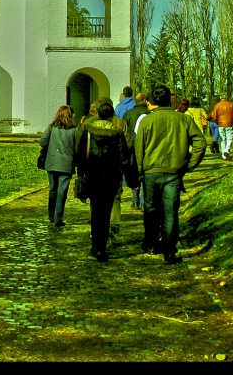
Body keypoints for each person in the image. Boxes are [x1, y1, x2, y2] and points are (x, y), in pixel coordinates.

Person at [134, 84, 207, 265]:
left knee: (151, 209)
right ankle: (169, 250)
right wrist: (189, 164)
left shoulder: (146, 121)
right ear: (169, 100)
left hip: (151, 171)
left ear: (153, 101)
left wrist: (140, 170)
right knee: (170, 212)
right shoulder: (182, 120)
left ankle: (151, 243)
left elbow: (139, 148)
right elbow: (200, 142)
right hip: (174, 171)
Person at [74, 100, 126, 263]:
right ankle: (102, 247)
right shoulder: (117, 132)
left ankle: (96, 246)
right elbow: (123, 157)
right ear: (111, 117)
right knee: (106, 211)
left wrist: (80, 172)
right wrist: (131, 179)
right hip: (111, 176)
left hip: (93, 174)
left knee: (96, 211)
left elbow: (80, 153)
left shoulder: (88, 130)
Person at [39, 105, 79, 227]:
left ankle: (51, 214)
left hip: (52, 162)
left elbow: (42, 142)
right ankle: (58, 217)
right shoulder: (74, 130)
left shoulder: (52, 128)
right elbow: (77, 147)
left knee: (53, 189)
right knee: (62, 191)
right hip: (66, 163)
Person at [121, 92, 150, 209]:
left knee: (133, 172)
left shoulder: (128, 113)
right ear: (145, 100)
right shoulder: (149, 113)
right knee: (145, 172)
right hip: (146, 146)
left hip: (131, 147)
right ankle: (143, 199)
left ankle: (134, 198)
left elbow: (124, 131)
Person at [210, 93, 233, 161]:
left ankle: (224, 155)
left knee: (223, 140)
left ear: (221, 98)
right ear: (226, 97)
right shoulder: (231, 104)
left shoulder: (217, 105)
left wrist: (218, 121)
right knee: (230, 138)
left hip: (220, 124)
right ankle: (227, 151)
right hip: (229, 124)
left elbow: (214, 116)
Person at [185, 97, 210, 166]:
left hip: (190, 127)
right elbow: (206, 116)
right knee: (198, 142)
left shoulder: (189, 109)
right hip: (199, 127)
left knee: (189, 141)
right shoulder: (201, 110)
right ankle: (197, 155)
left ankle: (190, 154)